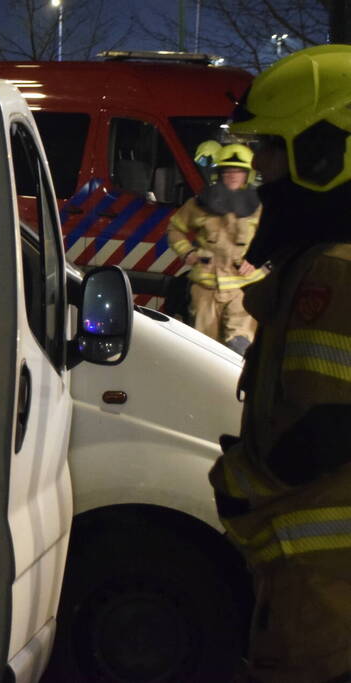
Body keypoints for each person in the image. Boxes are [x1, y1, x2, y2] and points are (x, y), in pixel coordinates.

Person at [208, 44, 351, 682]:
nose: (260, 164)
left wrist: (239, 485)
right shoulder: (319, 259)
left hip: (328, 597)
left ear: (326, 153)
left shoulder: (335, 271)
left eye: (272, 147)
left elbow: (322, 437)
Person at [167, 142, 265, 354]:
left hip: (243, 289)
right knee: (205, 348)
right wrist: (187, 252)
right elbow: (174, 229)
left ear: (247, 175)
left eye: (238, 171)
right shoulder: (199, 204)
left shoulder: (260, 207)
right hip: (205, 287)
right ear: (219, 173)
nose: (232, 175)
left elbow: (275, 240)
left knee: (240, 345)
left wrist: (258, 263)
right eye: (227, 170)